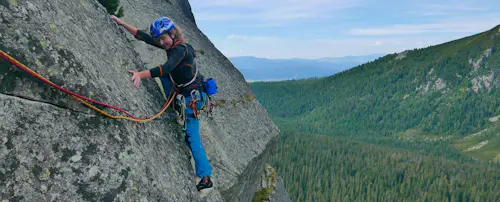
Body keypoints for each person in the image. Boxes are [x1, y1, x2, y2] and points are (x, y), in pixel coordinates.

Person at [111, 15, 213, 194]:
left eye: (164, 38)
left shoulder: (180, 49)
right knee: (166, 76)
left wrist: (141, 75)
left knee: (192, 137)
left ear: (173, 33)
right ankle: (173, 103)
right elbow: (145, 37)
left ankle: (205, 178)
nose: (162, 42)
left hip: (193, 100)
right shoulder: (172, 45)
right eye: (160, 39)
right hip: (186, 94)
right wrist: (122, 23)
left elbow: (166, 68)